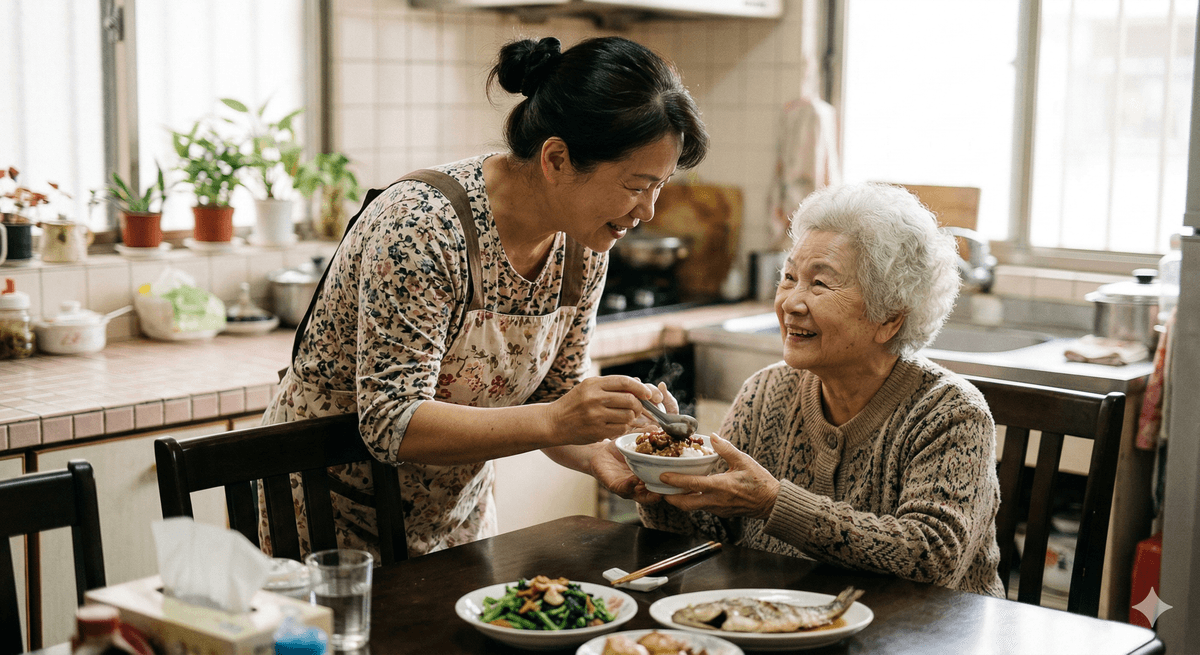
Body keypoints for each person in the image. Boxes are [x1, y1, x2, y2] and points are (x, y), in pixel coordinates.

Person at [261, 35, 708, 558]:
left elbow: (552, 395)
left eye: (659, 185)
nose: (649, 210)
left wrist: (601, 452)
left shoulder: (584, 245)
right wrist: (559, 419)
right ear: (557, 158)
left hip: (455, 522)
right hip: (326, 521)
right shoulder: (422, 227)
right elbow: (391, 421)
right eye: (636, 185)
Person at [638, 183, 1005, 597]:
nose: (790, 302)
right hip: (786, 625)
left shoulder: (951, 413)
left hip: (924, 637)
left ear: (889, 317)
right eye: (789, 277)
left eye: (820, 284)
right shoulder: (765, 392)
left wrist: (775, 503)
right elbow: (713, 532)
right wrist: (660, 481)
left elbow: (931, 558)